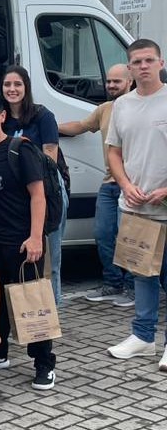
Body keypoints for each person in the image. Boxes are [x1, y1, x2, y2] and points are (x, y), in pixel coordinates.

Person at [0, 91, 57, 390]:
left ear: (3, 116)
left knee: (31, 301)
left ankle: (44, 363)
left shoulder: (20, 149)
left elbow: (38, 195)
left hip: (20, 241)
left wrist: (35, 237)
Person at [105, 39, 167, 367]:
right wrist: (126, 184)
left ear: (160, 62)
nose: (143, 66)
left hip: (166, 205)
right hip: (135, 205)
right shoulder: (122, 105)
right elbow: (114, 151)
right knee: (142, 274)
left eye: (148, 60)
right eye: (136, 62)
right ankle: (143, 337)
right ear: (129, 68)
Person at [59, 64, 134, 306]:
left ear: (129, 81)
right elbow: (80, 127)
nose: (111, 85)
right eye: (109, 81)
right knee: (102, 234)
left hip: (133, 186)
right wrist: (48, 125)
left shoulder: (138, 108)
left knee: (130, 239)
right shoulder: (104, 109)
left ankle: (133, 288)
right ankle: (113, 283)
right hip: (109, 184)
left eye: (117, 81)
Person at [1, 65, 69, 305]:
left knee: (50, 255)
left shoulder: (43, 116)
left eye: (17, 84)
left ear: (26, 87)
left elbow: (50, 158)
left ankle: (53, 310)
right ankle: (28, 314)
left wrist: (26, 152)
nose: (12, 89)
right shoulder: (1, 119)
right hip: (17, 193)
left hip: (48, 190)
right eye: (7, 85)